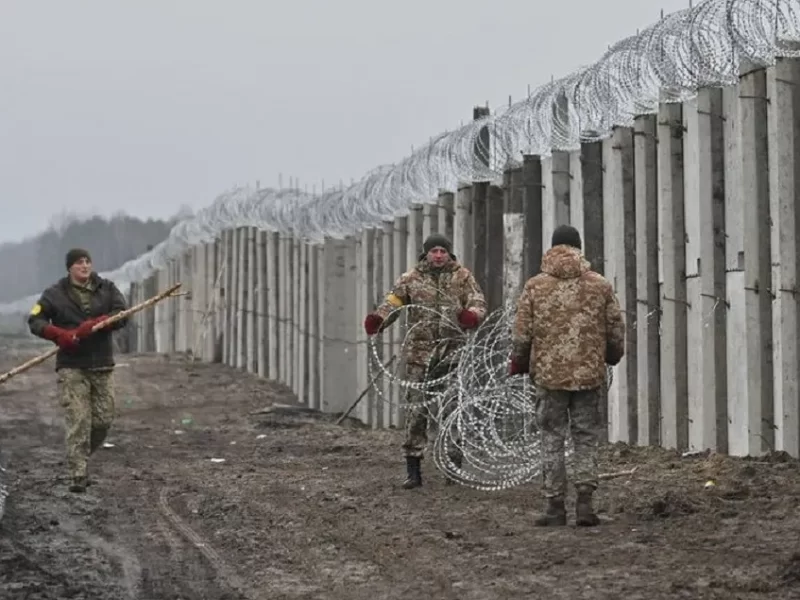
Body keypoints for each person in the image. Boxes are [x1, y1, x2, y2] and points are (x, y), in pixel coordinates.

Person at [509, 225, 625, 526]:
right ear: (578, 247)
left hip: (549, 377)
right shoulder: (599, 285)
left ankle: (554, 507)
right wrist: (611, 355)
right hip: (588, 374)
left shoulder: (535, 286)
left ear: (552, 248)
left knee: (552, 438)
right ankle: (585, 505)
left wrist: (520, 362)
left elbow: (522, 333)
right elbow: (615, 327)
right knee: (585, 438)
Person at [363, 233, 487, 489]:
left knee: (452, 411)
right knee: (416, 412)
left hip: (452, 355)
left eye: (443, 251)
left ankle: (453, 467)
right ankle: (413, 468)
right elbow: (392, 304)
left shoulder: (462, 277)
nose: (438, 255)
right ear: (426, 253)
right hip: (419, 357)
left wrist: (471, 316)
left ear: (449, 253)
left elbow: (477, 301)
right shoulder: (411, 280)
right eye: (434, 251)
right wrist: (379, 320)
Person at [27, 248, 129, 493]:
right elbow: (34, 320)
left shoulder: (106, 289)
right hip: (72, 366)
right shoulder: (54, 294)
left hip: (101, 363)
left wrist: (97, 323)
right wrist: (58, 335)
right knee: (79, 418)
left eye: (87, 261)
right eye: (79, 262)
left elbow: (122, 314)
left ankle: (80, 455)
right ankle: (78, 474)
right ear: (70, 268)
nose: (85, 266)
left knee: (103, 420)